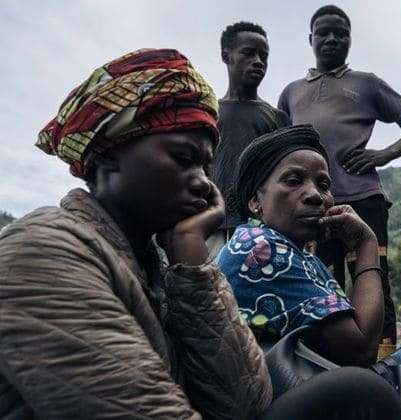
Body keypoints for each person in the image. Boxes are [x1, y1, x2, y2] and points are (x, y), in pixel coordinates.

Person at [0, 48, 272, 418]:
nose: (205, 185)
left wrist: (193, 263)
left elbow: (245, 406)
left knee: (347, 391)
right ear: (109, 153)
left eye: (207, 167)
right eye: (183, 159)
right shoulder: (43, 251)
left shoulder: (158, 263)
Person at [217, 125, 401, 420]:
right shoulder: (260, 248)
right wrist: (366, 244)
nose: (315, 195)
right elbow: (361, 347)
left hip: (313, 395)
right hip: (292, 404)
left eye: (323, 185)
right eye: (293, 181)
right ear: (255, 201)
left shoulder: (288, 250)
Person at [278, 5, 401, 345]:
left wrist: (383, 154)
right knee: (318, 284)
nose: (332, 39)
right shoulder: (291, 93)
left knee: (374, 281)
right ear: (311, 39)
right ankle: (328, 365)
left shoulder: (367, 84)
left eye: (341, 33)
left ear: (350, 40)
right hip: (312, 205)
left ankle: (386, 365)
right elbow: (279, 147)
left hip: (363, 200)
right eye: (324, 32)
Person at [208, 21, 289, 256]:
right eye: (248, 53)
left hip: (262, 228)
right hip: (211, 224)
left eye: (264, 56)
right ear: (226, 56)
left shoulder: (277, 118)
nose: (258, 61)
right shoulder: (208, 113)